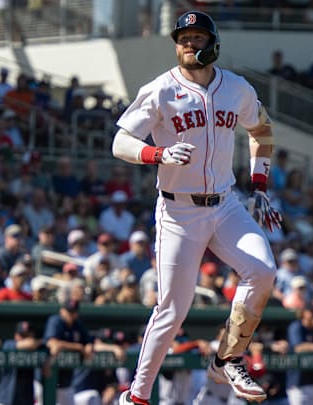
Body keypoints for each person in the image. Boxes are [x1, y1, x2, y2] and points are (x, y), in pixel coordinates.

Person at [112, 10, 281, 404]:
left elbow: (261, 129)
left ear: (213, 44)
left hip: (225, 204)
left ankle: (227, 359)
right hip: (178, 212)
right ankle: (136, 396)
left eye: (197, 37)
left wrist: (260, 182)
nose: (188, 43)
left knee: (263, 271)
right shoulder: (160, 90)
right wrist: (159, 153)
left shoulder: (235, 87)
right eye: (183, 37)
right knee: (173, 310)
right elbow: (120, 142)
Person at [0, 321, 43, 405]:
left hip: (26, 400)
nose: (24, 338)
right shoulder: (8, 345)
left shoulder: (38, 351)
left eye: (27, 335)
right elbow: (30, 343)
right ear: (15, 335)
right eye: (22, 335)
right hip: (4, 401)